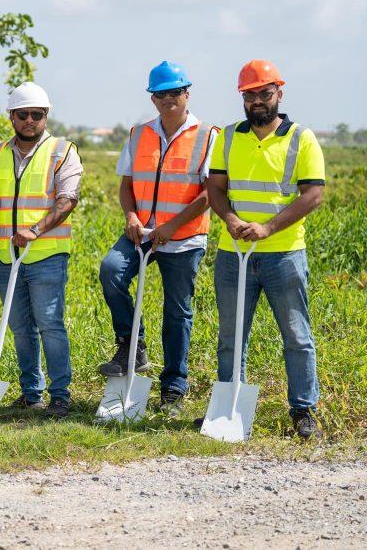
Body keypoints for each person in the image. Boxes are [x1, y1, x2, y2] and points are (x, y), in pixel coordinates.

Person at [206, 59, 325, 439]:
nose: (258, 100)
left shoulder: (301, 138)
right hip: (233, 253)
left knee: (296, 335)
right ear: (243, 98)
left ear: (279, 93)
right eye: (250, 94)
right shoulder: (227, 137)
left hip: (284, 254)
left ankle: (303, 410)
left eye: (264, 92)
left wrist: (268, 227)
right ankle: (228, 410)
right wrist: (231, 220)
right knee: (231, 336)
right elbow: (215, 190)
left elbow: (314, 194)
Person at [97, 61, 218, 416]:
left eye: (174, 93)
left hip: (183, 240)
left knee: (177, 312)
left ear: (186, 94)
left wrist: (172, 225)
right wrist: (131, 216)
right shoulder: (139, 134)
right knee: (111, 271)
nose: (168, 100)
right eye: (161, 94)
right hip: (142, 234)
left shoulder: (208, 135)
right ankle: (132, 346)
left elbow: (210, 193)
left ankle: (173, 389)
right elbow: (126, 185)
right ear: (153, 99)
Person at [0, 82, 82, 419]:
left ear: (45, 116)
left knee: (50, 324)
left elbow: (68, 200)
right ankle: (30, 394)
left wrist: (35, 230)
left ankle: (60, 396)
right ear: (11, 116)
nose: (29, 120)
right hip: (7, 257)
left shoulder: (62, 151)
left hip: (47, 256)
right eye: (22, 114)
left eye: (36, 115)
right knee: (20, 328)